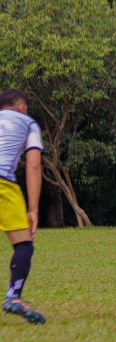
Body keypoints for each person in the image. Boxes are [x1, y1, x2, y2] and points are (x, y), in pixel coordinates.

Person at [0, 89, 46, 324]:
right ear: (19, 107)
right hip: (3, 184)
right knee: (24, 244)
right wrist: (33, 209)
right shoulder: (28, 123)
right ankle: (13, 296)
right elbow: (34, 165)